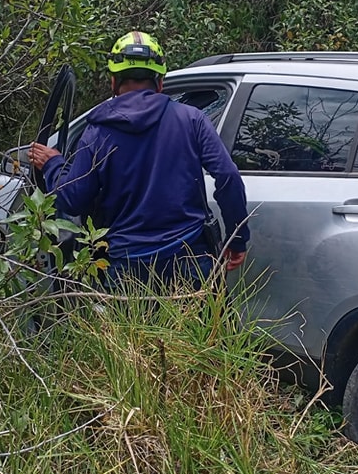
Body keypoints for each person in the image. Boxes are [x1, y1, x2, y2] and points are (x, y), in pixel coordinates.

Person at [29, 31, 249, 291]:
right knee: (195, 331)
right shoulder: (192, 119)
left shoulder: (97, 132)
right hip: (190, 258)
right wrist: (237, 239)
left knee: (133, 333)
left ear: (113, 80)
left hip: (126, 267)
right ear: (160, 81)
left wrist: (54, 164)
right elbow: (228, 176)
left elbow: (73, 200)